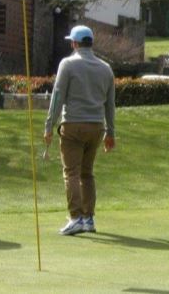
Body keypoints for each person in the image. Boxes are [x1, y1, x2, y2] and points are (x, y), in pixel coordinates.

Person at [44, 25, 115, 236]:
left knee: (72, 173)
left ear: (74, 43)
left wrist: (48, 126)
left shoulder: (68, 64)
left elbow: (57, 97)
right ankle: (88, 218)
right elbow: (110, 104)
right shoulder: (106, 68)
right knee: (87, 173)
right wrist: (110, 132)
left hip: (73, 125)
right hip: (96, 127)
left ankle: (75, 217)